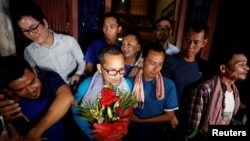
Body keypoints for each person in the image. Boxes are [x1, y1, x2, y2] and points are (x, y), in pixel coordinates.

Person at [0, 55, 76, 141]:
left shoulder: (47, 78)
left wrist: (33, 134)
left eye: (32, 82)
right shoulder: (5, 104)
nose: (31, 90)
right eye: (21, 89)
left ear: (34, 72)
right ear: (7, 91)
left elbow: (66, 97)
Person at [12, 1, 86, 86]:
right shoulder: (28, 51)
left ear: (45, 23)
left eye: (34, 28)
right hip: (52, 89)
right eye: (25, 31)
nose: (31, 34)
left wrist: (78, 74)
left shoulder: (68, 41)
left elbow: (82, 62)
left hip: (74, 85)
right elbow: (34, 73)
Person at [161, 21, 210, 141]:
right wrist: (171, 116)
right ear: (183, 38)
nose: (190, 46)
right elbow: (162, 89)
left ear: (204, 42)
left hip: (193, 122)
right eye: (188, 41)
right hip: (171, 119)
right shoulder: (169, 61)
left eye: (196, 42)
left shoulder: (204, 67)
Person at [186, 48, 249, 141]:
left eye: (246, 64)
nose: (247, 68)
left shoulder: (234, 91)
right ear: (223, 68)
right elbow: (192, 128)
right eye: (241, 64)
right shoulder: (205, 89)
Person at [72, 45, 133, 140]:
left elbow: (127, 112)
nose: (118, 76)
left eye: (121, 69)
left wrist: (122, 128)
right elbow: (77, 112)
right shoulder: (86, 86)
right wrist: (93, 135)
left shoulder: (127, 85)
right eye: (112, 70)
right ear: (100, 68)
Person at [123, 42, 179, 141]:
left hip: (155, 135)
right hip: (129, 134)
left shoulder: (169, 86)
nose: (156, 69)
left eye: (160, 64)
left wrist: (141, 121)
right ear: (142, 61)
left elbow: (169, 116)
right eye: (152, 63)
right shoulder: (130, 82)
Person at [84, 11, 122, 77]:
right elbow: (88, 68)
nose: (107, 30)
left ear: (119, 29)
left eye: (112, 27)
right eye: (105, 26)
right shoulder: (94, 46)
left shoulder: (122, 47)